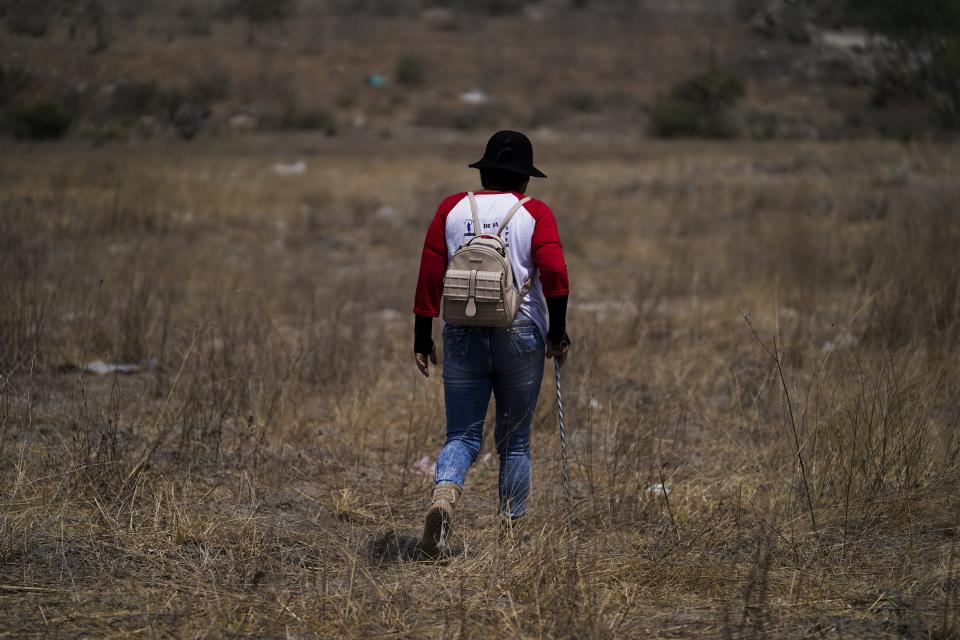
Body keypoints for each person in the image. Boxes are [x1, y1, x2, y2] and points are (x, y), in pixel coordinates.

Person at [412, 130, 571, 556]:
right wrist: (557, 333)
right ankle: (511, 538)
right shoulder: (535, 212)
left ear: (483, 172)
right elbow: (555, 276)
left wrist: (422, 337)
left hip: (461, 331)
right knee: (514, 439)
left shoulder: (452, 207)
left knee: (462, 435)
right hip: (520, 332)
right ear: (525, 179)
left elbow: (430, 275)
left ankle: (444, 495)